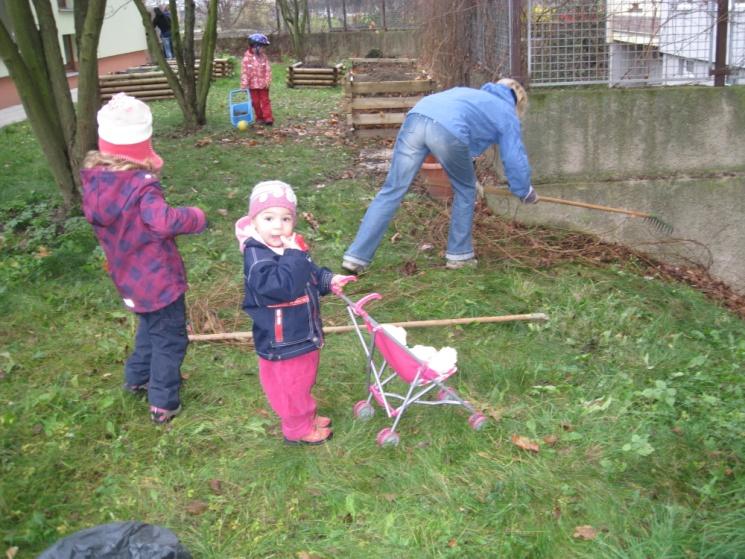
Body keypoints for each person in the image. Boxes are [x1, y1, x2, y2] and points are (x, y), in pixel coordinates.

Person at [80, 93, 207, 424]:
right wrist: (194, 216)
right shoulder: (140, 187)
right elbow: (162, 221)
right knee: (171, 337)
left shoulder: (97, 182)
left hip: (128, 278)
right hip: (157, 280)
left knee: (150, 328)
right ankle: (163, 401)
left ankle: (136, 378)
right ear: (142, 144)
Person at [342, 78, 539, 274]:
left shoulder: (471, 95)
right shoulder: (506, 112)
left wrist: (470, 177)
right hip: (446, 130)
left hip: (416, 117)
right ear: (518, 103)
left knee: (392, 189)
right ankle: (459, 256)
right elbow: (514, 157)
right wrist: (524, 191)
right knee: (465, 191)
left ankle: (355, 257)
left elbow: (465, 145)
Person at [235, 181, 354, 445]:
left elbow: (306, 273)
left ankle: (305, 416)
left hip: (300, 331)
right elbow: (281, 286)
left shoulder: (289, 247)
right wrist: (292, 254)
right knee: (290, 386)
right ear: (254, 222)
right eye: (269, 218)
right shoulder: (257, 255)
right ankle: (297, 429)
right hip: (282, 338)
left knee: (303, 379)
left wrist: (327, 280)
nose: (278, 225)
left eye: (285, 218)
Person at [240, 33, 274, 125]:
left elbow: (268, 69)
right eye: (262, 47)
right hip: (252, 86)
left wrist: (268, 80)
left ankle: (268, 118)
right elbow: (245, 73)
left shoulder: (264, 57)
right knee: (255, 102)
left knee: (265, 101)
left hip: (263, 85)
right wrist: (244, 84)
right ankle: (259, 117)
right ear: (255, 46)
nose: (264, 49)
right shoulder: (246, 59)